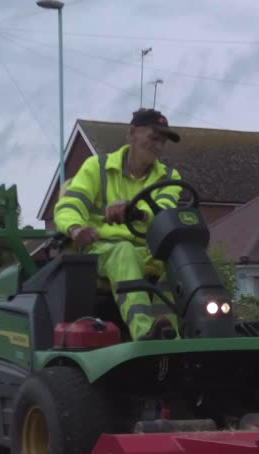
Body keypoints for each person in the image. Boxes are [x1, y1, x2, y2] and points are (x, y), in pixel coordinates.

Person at [53, 108, 185, 340]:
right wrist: (75, 229)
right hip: (101, 250)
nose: (158, 146)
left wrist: (136, 213)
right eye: (153, 138)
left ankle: (173, 339)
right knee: (124, 252)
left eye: (162, 142)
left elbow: (164, 211)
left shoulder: (169, 178)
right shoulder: (96, 167)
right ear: (132, 134)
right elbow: (69, 204)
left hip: (147, 252)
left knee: (180, 259)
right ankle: (145, 334)